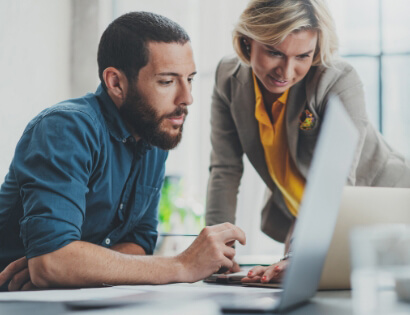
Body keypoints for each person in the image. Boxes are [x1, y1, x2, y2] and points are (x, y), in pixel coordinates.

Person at [0, 11, 245, 292]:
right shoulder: (65, 128)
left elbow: (139, 243)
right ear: (116, 83)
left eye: (189, 79)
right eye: (167, 82)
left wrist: (75, 264)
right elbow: (52, 263)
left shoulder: (153, 135)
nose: (187, 98)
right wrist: (182, 264)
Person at [205, 0, 410, 284]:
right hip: (306, 218)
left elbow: (333, 183)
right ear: (248, 41)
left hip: (387, 209)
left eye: (302, 56)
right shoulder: (227, 78)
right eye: (274, 52)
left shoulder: (337, 80)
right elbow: (224, 170)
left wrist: (296, 256)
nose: (286, 72)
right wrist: (217, 252)